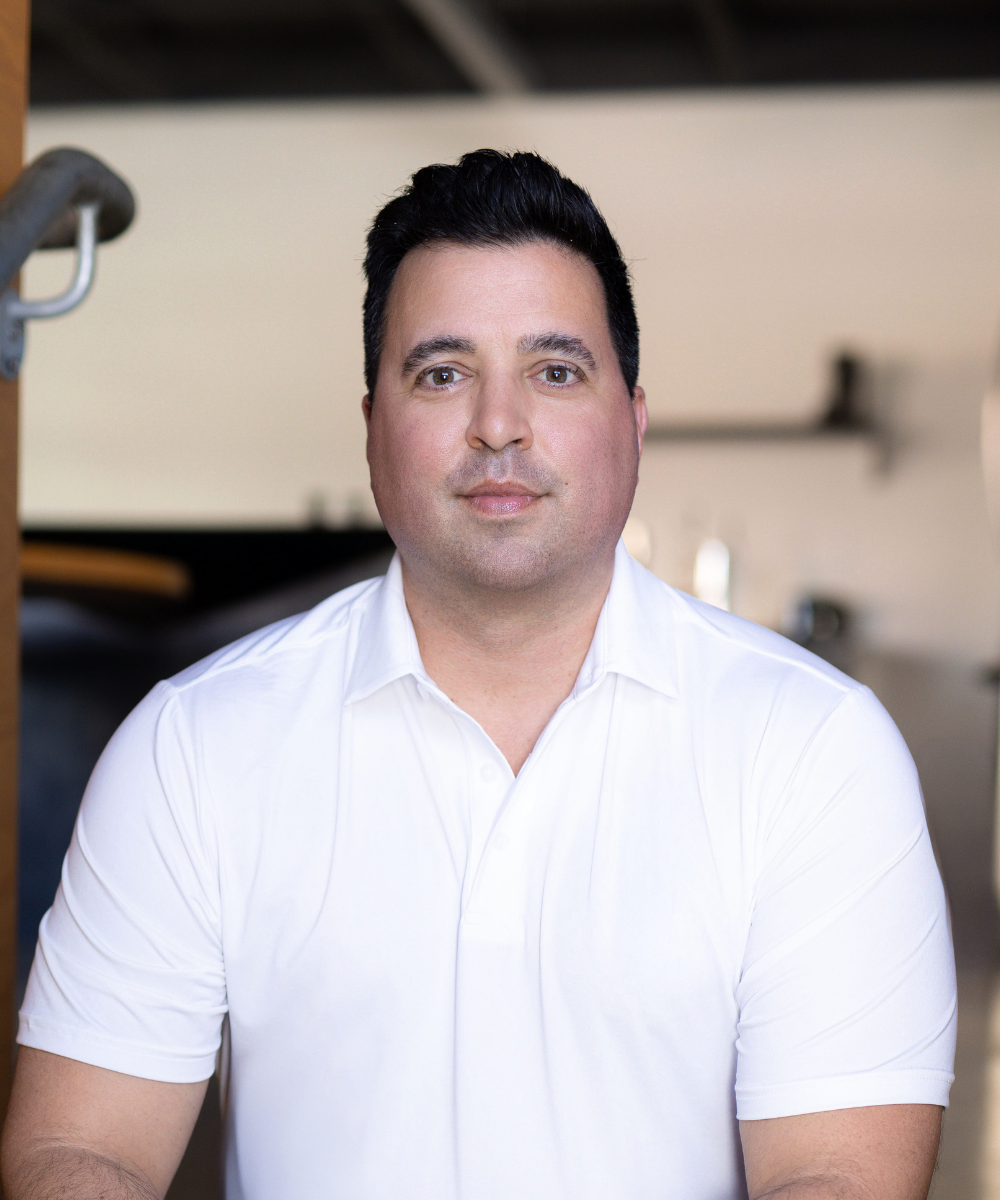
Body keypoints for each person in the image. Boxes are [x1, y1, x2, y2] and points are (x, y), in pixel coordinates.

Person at [1, 150, 955, 1200]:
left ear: (631, 423)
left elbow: (835, 1176)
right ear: (373, 429)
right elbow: (80, 1150)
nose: (498, 426)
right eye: (442, 373)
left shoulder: (814, 751)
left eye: (554, 372)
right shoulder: (195, 744)